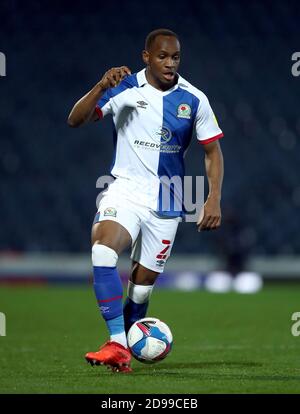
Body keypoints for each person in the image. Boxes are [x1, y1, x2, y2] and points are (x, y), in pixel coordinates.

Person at [67, 28, 224, 373]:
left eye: (176, 57)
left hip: (167, 202)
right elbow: (75, 120)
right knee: (103, 250)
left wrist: (213, 199)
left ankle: (122, 349)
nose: (170, 64)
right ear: (146, 57)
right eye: (162, 57)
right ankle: (117, 344)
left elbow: (212, 150)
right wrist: (100, 87)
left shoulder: (194, 98)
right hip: (125, 189)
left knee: (139, 293)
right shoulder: (122, 87)